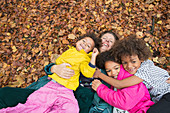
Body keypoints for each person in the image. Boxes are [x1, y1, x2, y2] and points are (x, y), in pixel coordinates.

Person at [0, 31, 119, 113]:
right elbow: (58, 63)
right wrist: (53, 68)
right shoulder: (78, 55)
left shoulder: (110, 70)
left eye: (110, 41)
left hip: (75, 102)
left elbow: (107, 98)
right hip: (49, 91)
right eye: (104, 38)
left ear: (114, 48)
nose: (106, 41)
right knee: (4, 94)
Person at [93, 35, 170, 113]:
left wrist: (100, 75)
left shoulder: (144, 69)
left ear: (141, 58)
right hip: (160, 99)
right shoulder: (138, 69)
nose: (129, 66)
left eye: (133, 61)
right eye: (125, 63)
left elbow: (120, 84)